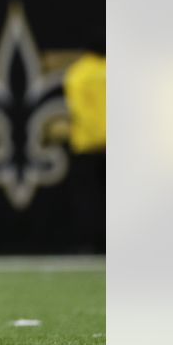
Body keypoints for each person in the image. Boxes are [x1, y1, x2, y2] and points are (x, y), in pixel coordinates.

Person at [63, 32, 105, 253]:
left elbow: (78, 111)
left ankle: (92, 243)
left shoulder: (78, 73)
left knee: (89, 199)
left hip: (87, 146)